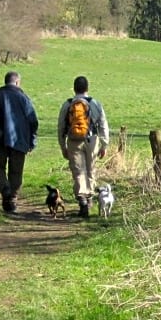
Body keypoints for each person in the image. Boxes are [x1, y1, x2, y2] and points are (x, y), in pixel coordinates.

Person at [0, 70, 39, 213]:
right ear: (17, 82)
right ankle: (12, 201)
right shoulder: (24, 98)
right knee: (16, 172)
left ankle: (5, 189)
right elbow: (33, 121)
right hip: (20, 141)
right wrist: (32, 141)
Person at [57, 75, 110, 219]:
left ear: (74, 89)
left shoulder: (68, 104)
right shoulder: (95, 104)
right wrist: (104, 144)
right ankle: (90, 197)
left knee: (78, 171)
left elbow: (61, 126)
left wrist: (63, 146)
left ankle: (82, 200)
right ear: (87, 88)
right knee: (90, 169)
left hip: (74, 140)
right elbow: (103, 124)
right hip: (92, 140)